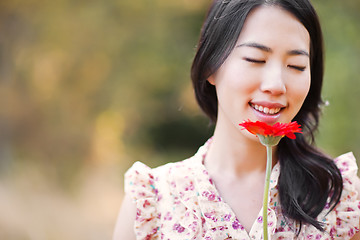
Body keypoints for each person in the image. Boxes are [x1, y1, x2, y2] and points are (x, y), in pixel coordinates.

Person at [113, 0, 360, 239]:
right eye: (255, 59)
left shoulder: (338, 196)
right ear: (211, 65)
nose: (276, 85)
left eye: (296, 65)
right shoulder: (152, 202)